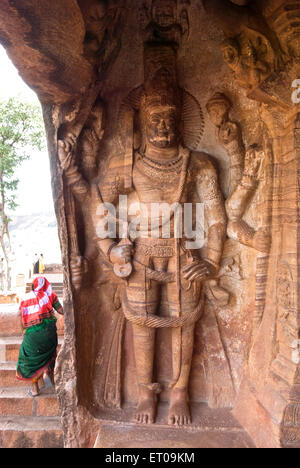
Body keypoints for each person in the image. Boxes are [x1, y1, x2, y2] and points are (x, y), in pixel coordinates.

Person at [16, 276, 64, 397]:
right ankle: (53, 382)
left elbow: (19, 315)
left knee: (28, 358)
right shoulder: (50, 295)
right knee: (50, 355)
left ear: (33, 286)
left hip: (33, 335)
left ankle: (35, 389)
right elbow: (61, 310)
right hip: (50, 333)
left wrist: (24, 332)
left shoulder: (26, 298)